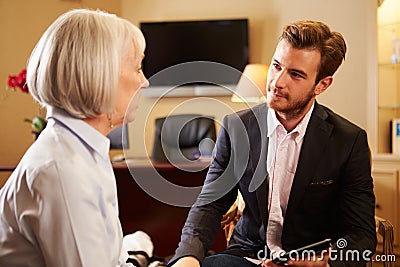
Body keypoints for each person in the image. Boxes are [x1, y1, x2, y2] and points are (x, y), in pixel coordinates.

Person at [169, 20, 376, 267]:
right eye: (276, 66)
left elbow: (361, 234)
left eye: (296, 74)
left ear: (322, 84)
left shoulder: (349, 141)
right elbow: (210, 204)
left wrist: (324, 263)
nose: (277, 82)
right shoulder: (237, 128)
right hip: (247, 257)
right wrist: (188, 256)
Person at [0, 9, 149, 266]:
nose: (144, 82)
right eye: (137, 68)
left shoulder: (81, 151)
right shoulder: (62, 171)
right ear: (100, 75)